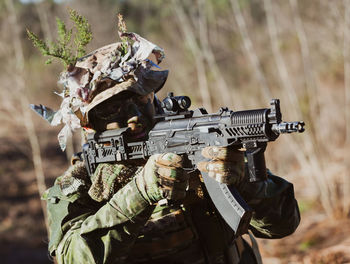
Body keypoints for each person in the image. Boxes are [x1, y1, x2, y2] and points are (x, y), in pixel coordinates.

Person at [38, 31, 300, 264]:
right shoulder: (82, 183)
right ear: (88, 125)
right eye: (113, 108)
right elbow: (73, 257)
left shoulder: (194, 143)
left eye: (140, 97)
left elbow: (283, 224)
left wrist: (244, 182)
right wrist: (139, 193)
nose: (133, 116)